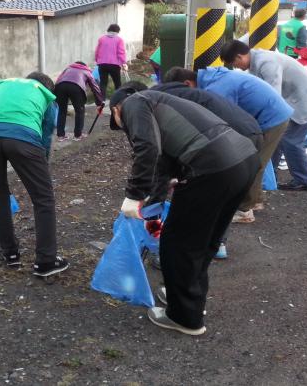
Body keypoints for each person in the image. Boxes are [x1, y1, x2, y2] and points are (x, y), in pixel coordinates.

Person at [109, 84, 260, 336]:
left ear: (116, 109)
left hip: (213, 167)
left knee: (179, 243)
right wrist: (152, 211)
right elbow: (161, 166)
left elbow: (146, 148)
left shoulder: (134, 103)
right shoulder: (161, 103)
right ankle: (187, 297)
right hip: (244, 160)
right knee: (206, 239)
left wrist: (133, 196)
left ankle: (184, 317)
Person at [151, 72, 263, 257]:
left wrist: (154, 202)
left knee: (209, 194)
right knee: (226, 195)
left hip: (229, 140)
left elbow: (162, 157)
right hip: (253, 132)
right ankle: (217, 244)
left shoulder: (157, 104)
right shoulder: (189, 94)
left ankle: (191, 249)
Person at [0, 73, 68, 277]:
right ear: (48, 88)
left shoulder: (4, 86)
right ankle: (46, 261)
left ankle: (10, 254)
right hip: (23, 137)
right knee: (43, 198)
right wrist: (43, 164)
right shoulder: (46, 95)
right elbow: (46, 134)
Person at [169, 66, 290, 222]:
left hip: (272, 118)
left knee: (253, 163)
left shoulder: (217, 88)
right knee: (255, 159)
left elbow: (225, 119)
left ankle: (244, 210)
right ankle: (256, 200)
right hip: (269, 112)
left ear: (186, 83)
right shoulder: (213, 77)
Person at [221, 40, 307, 191]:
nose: (235, 67)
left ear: (240, 57)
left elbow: (273, 97)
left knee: (289, 139)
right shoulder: (256, 62)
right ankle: (268, 178)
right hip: (295, 98)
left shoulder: (266, 63)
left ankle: (304, 180)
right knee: (274, 138)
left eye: (233, 63)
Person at [54, 61, 104, 141]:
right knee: (79, 111)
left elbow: (58, 79)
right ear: (85, 66)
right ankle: (77, 135)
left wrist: (54, 95)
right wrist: (99, 103)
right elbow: (95, 87)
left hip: (60, 86)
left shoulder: (68, 68)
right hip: (76, 87)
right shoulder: (86, 71)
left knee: (62, 110)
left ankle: (60, 135)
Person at [94, 23, 127, 99]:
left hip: (102, 64)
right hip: (114, 65)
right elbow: (121, 52)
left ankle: (102, 100)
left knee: (103, 83)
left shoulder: (101, 38)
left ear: (109, 30)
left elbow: (97, 51)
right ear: (117, 31)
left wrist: (97, 60)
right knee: (117, 83)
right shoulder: (119, 40)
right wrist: (124, 63)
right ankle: (118, 99)